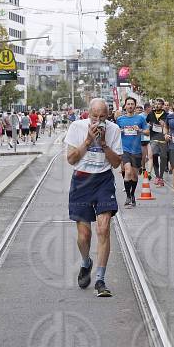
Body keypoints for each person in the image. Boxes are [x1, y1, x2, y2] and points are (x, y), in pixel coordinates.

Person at [65, 98, 122, 297]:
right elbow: (71, 159)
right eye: (94, 116)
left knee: (104, 228)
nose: (98, 121)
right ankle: (86, 262)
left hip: (104, 181)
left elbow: (116, 164)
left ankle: (100, 279)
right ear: (88, 114)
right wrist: (88, 141)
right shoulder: (76, 127)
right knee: (84, 236)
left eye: (102, 117)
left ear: (108, 115)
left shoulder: (114, 130)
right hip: (81, 181)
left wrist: (104, 144)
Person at [116, 97, 149, 207]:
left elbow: (148, 132)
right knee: (128, 171)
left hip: (137, 151)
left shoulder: (140, 119)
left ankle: (132, 194)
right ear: (125, 106)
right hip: (125, 150)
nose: (130, 106)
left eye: (132, 104)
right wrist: (119, 131)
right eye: (128, 104)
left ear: (135, 106)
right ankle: (128, 196)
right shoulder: (120, 120)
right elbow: (115, 133)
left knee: (134, 176)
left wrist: (139, 130)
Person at [147, 98, 168, 186]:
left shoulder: (166, 115)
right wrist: (148, 125)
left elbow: (169, 126)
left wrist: (165, 126)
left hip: (163, 139)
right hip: (153, 138)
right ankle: (157, 176)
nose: (157, 105)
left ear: (162, 105)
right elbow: (146, 123)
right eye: (156, 104)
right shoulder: (151, 114)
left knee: (163, 158)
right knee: (154, 155)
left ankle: (161, 176)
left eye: (159, 104)